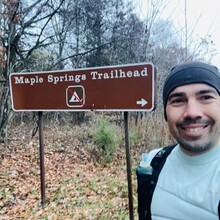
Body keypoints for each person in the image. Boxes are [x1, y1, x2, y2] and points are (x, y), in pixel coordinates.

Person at [148, 61, 220, 220]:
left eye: (206, 97)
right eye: (177, 100)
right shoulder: (155, 161)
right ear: (166, 113)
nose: (192, 113)